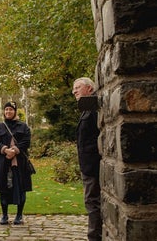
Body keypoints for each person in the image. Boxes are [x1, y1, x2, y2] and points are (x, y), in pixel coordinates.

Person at [0, 101, 32, 225]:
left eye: (11, 109)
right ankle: (4, 215)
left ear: (15, 111)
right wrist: (5, 149)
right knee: (3, 189)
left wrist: (14, 150)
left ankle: (19, 215)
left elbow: (26, 141)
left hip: (20, 164)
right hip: (3, 164)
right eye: (6, 109)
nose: (8, 112)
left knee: (21, 188)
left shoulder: (23, 127)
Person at [72, 77, 102, 241]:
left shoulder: (94, 108)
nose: (74, 91)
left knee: (92, 202)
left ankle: (94, 237)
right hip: (88, 165)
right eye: (73, 89)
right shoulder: (87, 109)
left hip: (93, 165)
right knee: (92, 201)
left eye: (77, 87)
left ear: (89, 89)